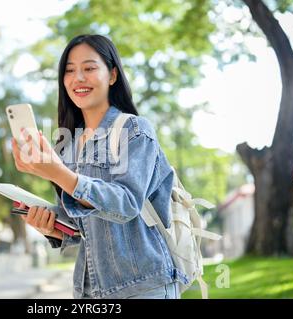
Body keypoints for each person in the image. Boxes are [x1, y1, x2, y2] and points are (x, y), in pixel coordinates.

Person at [11, 34, 187, 299]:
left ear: (112, 75)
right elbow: (85, 227)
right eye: (69, 71)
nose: (78, 78)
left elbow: (127, 203)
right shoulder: (67, 146)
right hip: (89, 291)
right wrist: (51, 227)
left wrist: (56, 172)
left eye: (89, 68)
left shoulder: (134, 130)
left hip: (143, 287)